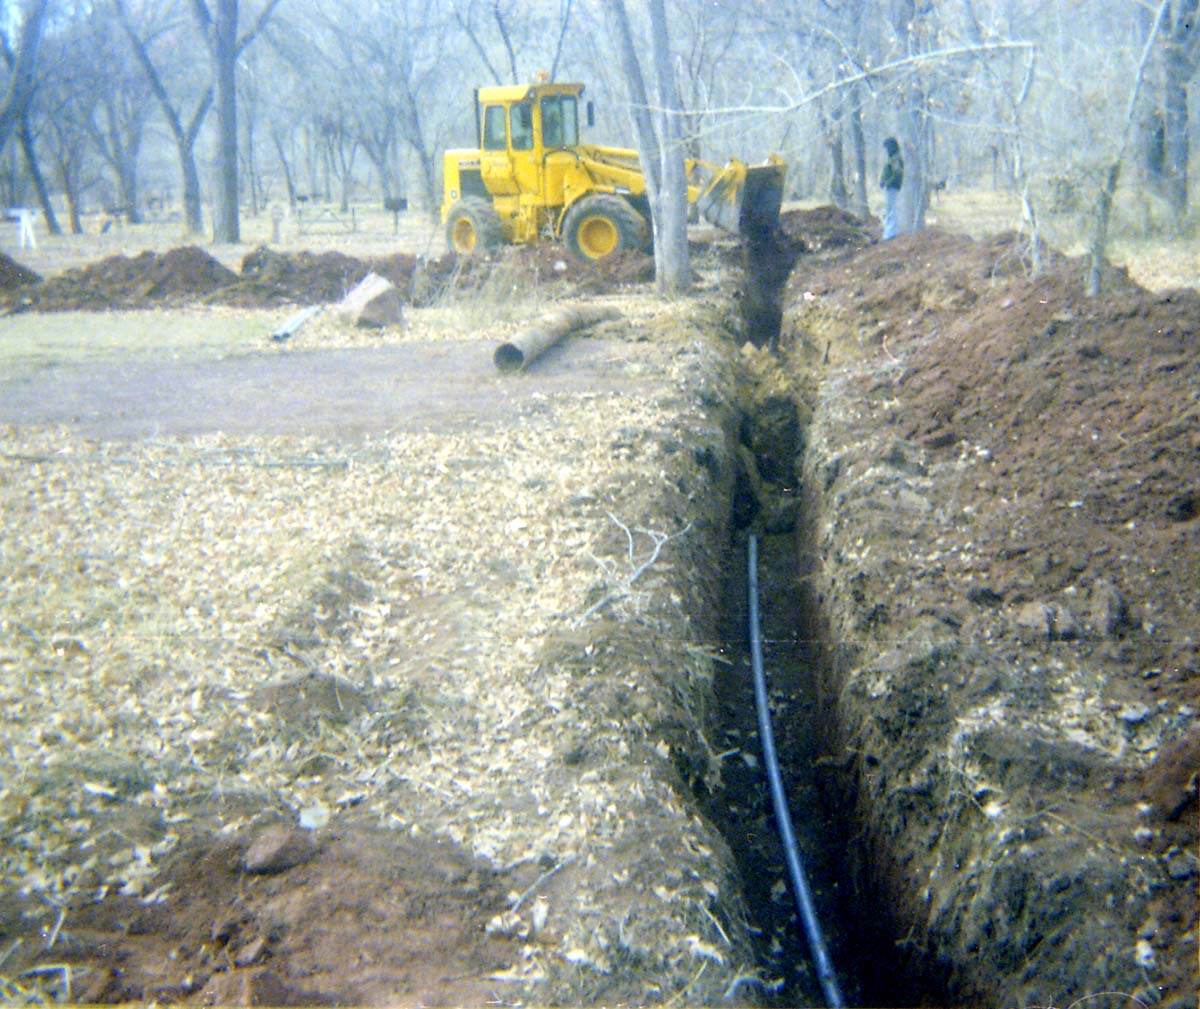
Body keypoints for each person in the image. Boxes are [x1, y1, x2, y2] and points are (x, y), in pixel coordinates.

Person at [880, 137, 903, 240]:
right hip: (891, 187)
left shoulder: (895, 159)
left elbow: (897, 173)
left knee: (891, 210)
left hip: (892, 187)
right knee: (889, 209)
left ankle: (890, 234)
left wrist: (887, 182)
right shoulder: (893, 158)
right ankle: (889, 233)